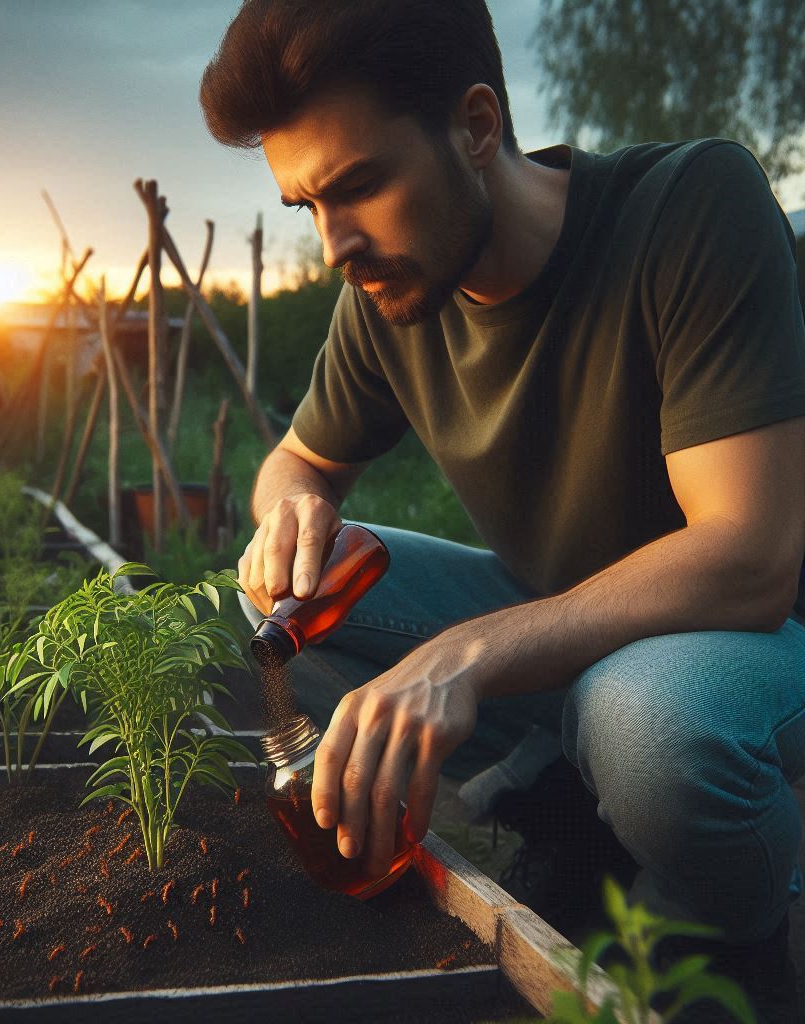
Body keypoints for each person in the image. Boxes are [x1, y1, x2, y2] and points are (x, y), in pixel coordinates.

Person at [200, 2, 805, 1018]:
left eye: (358, 186)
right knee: (266, 614)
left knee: (648, 727)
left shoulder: (691, 206)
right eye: (305, 204)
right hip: (564, 629)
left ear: (475, 127)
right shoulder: (386, 292)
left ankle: (721, 946)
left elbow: (748, 558)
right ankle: (565, 805)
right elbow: (294, 461)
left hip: (750, 641)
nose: (333, 242)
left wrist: (469, 655)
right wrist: (290, 514)